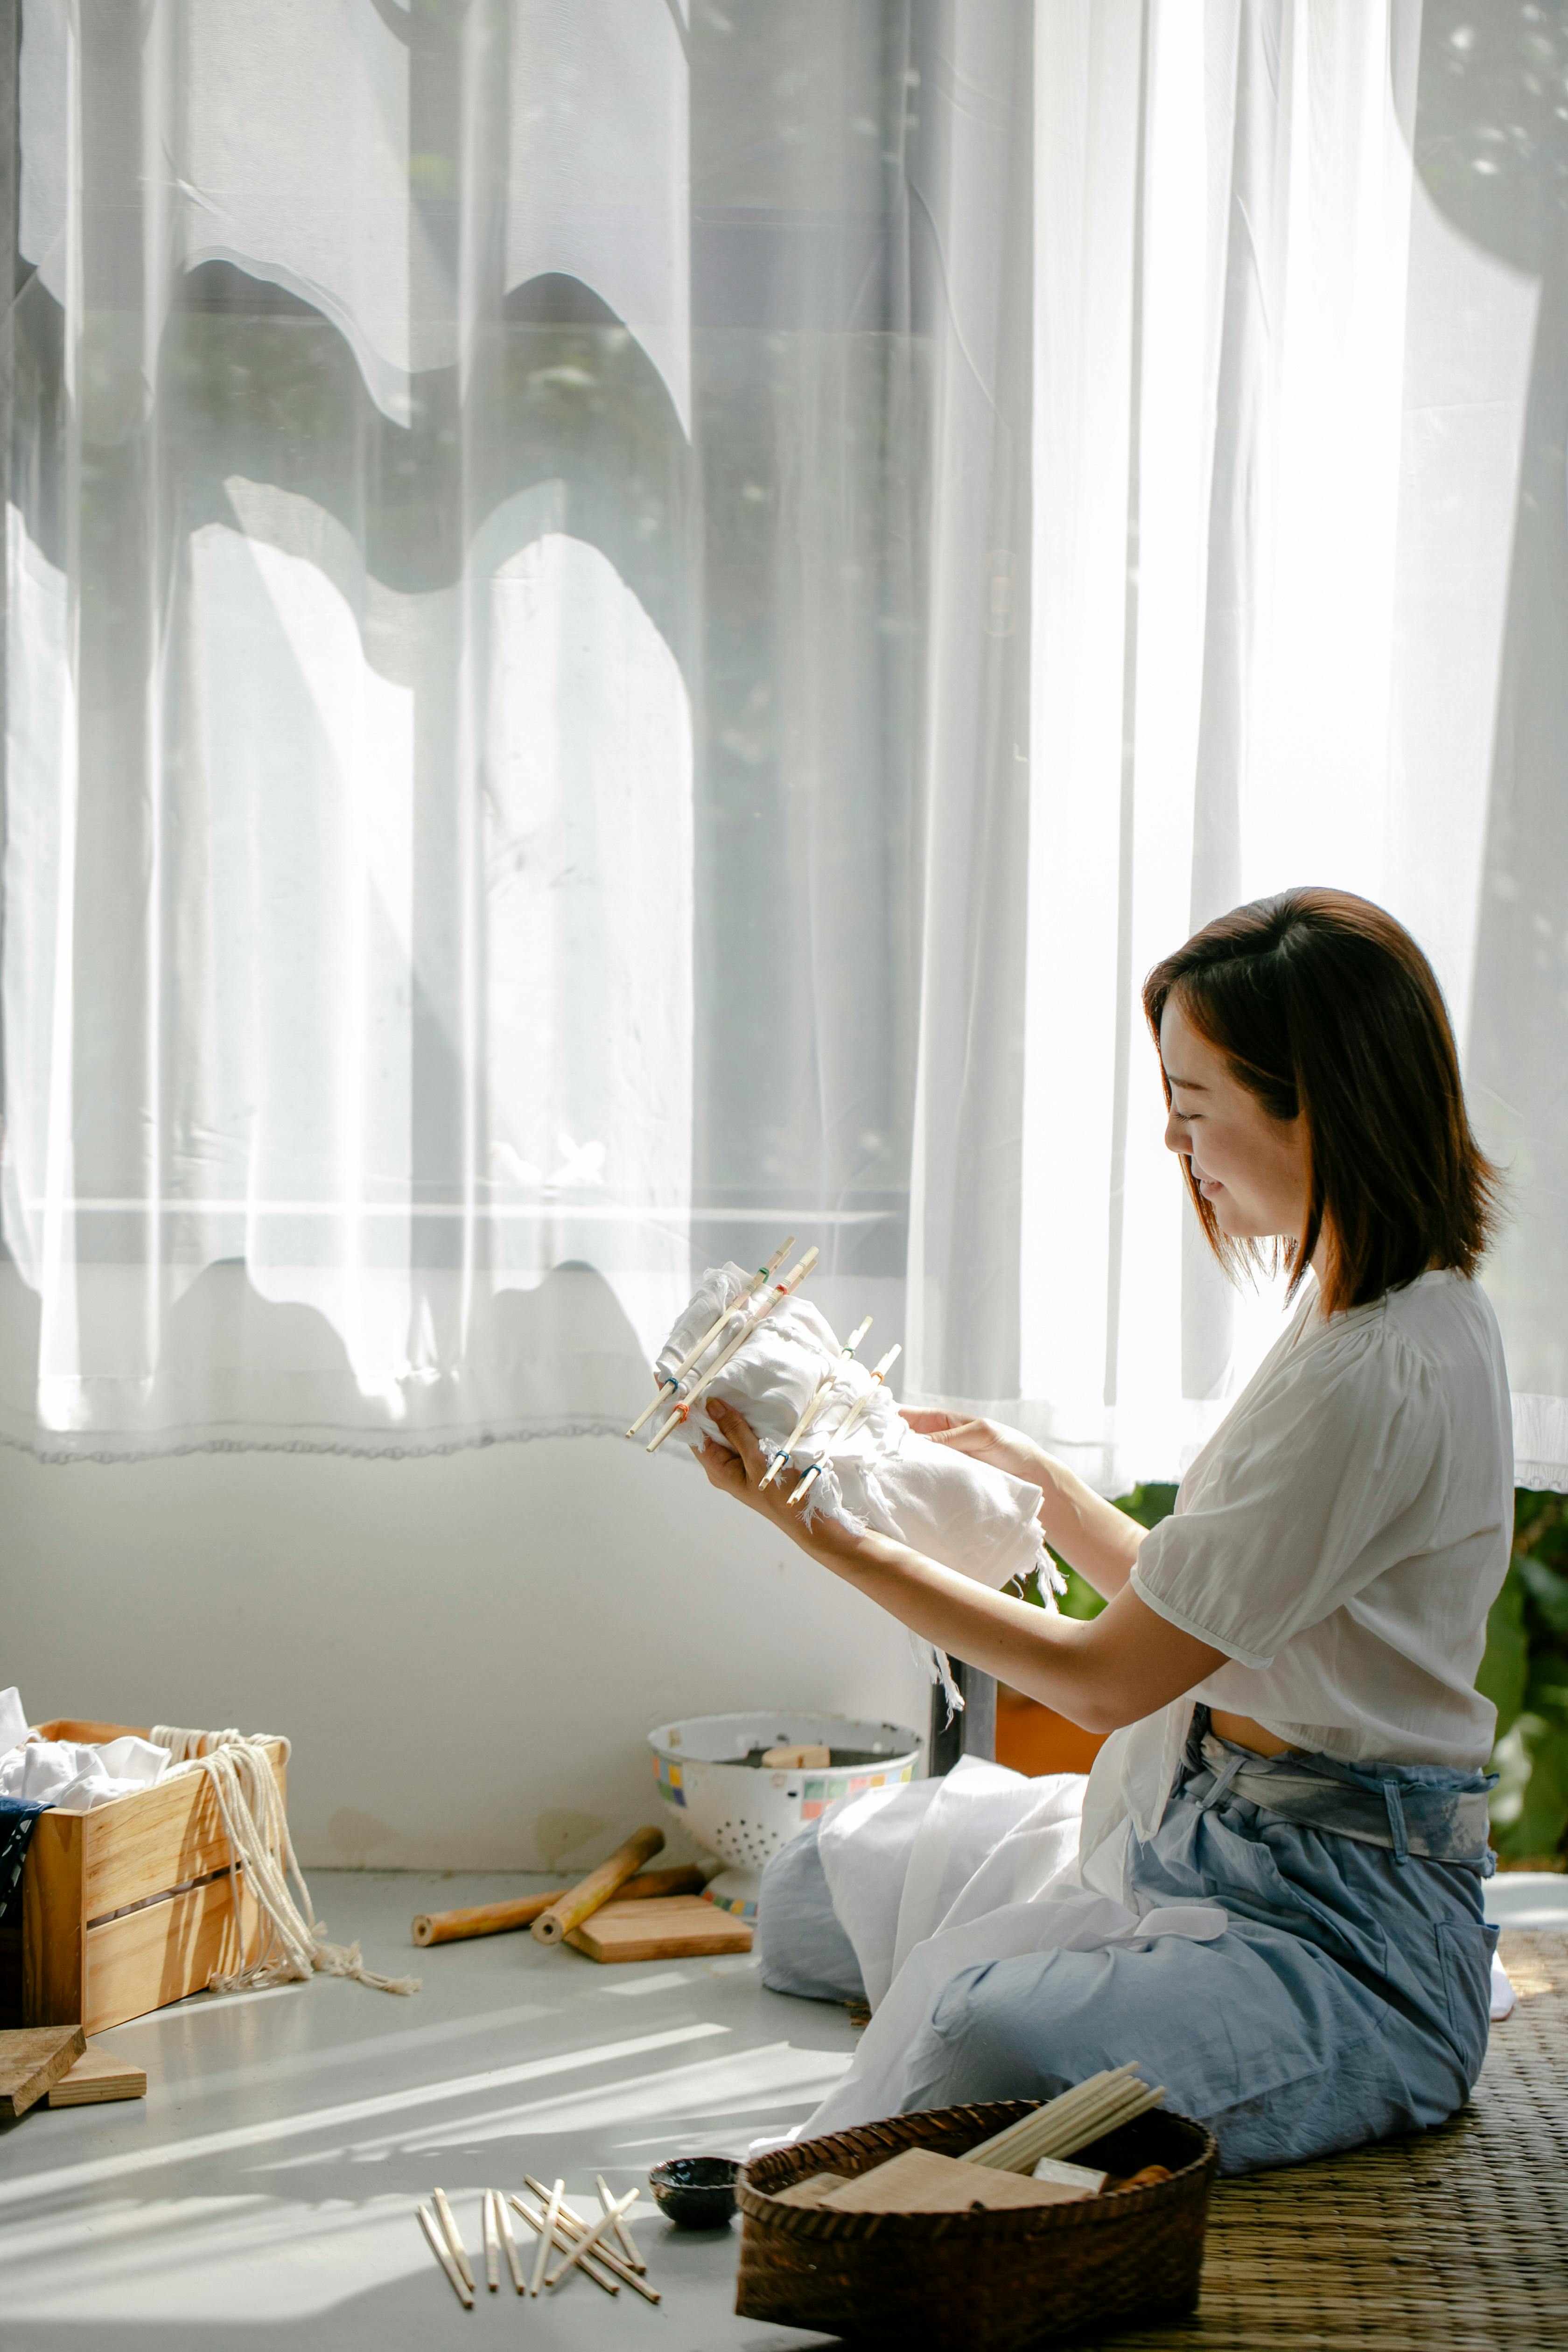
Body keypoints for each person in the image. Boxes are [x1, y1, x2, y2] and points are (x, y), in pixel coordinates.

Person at [696, 888, 1512, 2172]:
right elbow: (1203, 1620)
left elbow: (1107, 1680)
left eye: (1194, 1107)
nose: (1176, 1143)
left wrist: (830, 1535)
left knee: (974, 2045)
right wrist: (1052, 1489)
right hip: (1204, 1832)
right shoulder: (1353, 1306)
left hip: (1337, 1928)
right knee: (808, 1898)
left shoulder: (1378, 1369)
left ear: (1313, 1104)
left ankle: (1400, 2032)